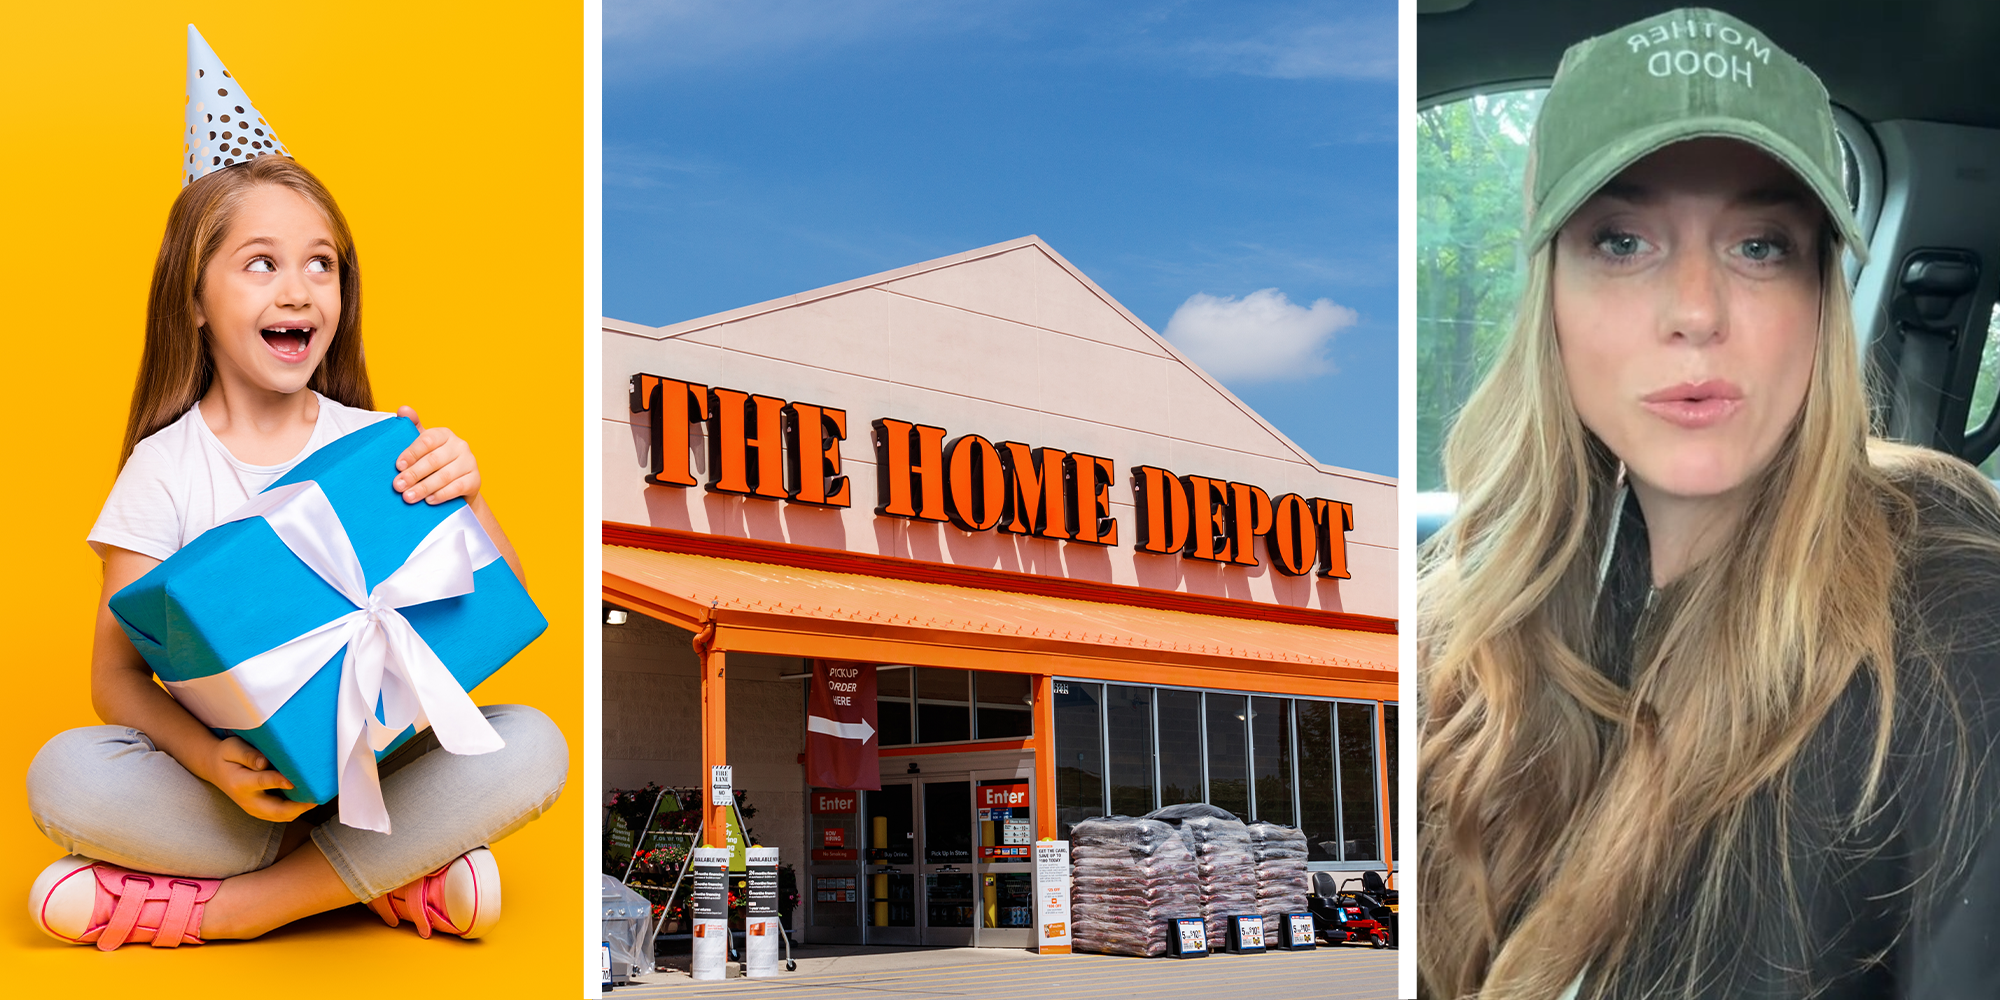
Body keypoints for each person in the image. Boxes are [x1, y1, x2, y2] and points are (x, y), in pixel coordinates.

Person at [1419, 8, 2000, 998]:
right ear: (1549, 298)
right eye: (1620, 240)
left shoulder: (1952, 629)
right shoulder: (1488, 619)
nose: (1695, 310)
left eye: (1760, 246)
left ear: (1819, 301)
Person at [22, 33, 566, 951]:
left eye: (323, 264)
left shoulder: (375, 444)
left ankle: (241, 908)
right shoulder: (164, 468)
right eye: (261, 263)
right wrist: (214, 765)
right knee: (65, 775)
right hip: (238, 797)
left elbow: (494, 609)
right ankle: (389, 877)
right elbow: (114, 678)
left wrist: (468, 497)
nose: (300, 289)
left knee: (536, 744)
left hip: (384, 771)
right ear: (193, 300)